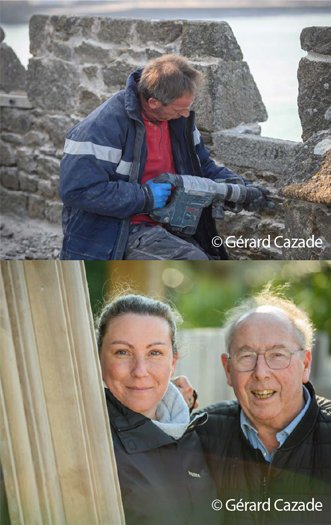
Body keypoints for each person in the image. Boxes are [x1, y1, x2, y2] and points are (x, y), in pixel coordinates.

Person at [59, 54, 270, 260]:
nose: (186, 115)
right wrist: (145, 197)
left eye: (188, 107)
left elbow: (202, 166)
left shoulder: (179, 121)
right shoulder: (101, 127)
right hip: (117, 231)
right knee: (194, 261)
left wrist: (241, 187)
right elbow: (78, 190)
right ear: (153, 103)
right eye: (180, 109)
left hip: (169, 221)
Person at [197, 292, 331, 524]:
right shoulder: (200, 433)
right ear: (228, 369)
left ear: (305, 365)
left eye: (277, 355)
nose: (260, 372)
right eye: (246, 356)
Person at [96, 293, 218, 525]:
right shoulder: (89, 440)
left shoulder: (192, 431)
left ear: (172, 363)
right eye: (123, 352)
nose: (140, 370)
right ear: (98, 359)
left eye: (154, 353)